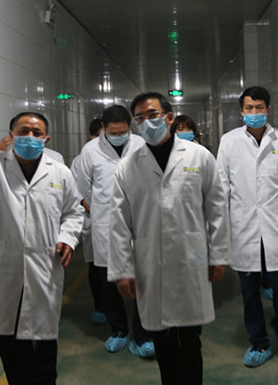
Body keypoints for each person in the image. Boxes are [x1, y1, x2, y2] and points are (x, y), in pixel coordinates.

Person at [0, 100, 84, 385]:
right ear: (11, 135)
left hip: (43, 270)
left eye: (37, 133)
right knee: (11, 353)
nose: (30, 137)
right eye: (24, 131)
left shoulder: (60, 173)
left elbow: (74, 211)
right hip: (3, 273)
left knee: (44, 353)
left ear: (46, 139)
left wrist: (68, 238)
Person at [108, 92, 230, 384]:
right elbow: (119, 223)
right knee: (162, 342)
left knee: (190, 341)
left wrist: (219, 255)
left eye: (152, 115)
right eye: (140, 118)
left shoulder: (199, 156)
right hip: (150, 262)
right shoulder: (128, 166)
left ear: (169, 117)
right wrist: (122, 270)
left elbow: (217, 207)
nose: (146, 122)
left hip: (191, 259)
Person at [216, 86, 278, 368]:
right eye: (249, 108)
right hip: (242, 225)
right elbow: (221, 186)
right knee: (249, 289)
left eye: (259, 108)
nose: (253, 112)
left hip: (276, 223)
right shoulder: (229, 142)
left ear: (268, 110)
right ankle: (259, 342)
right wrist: (220, 226)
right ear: (241, 111)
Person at [71, 106, 152, 357]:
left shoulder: (141, 144)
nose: (119, 136)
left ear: (131, 127)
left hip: (139, 222)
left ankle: (143, 335)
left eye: (123, 132)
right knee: (110, 281)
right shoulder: (90, 151)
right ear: (103, 129)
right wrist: (98, 209)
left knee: (142, 280)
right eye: (113, 133)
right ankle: (118, 330)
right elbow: (83, 188)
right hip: (105, 224)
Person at [70, 118, 106, 326]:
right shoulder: (80, 160)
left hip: (117, 221)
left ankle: (116, 307)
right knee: (96, 267)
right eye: (100, 135)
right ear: (92, 136)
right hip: (92, 219)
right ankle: (100, 305)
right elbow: (74, 188)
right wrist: (87, 203)